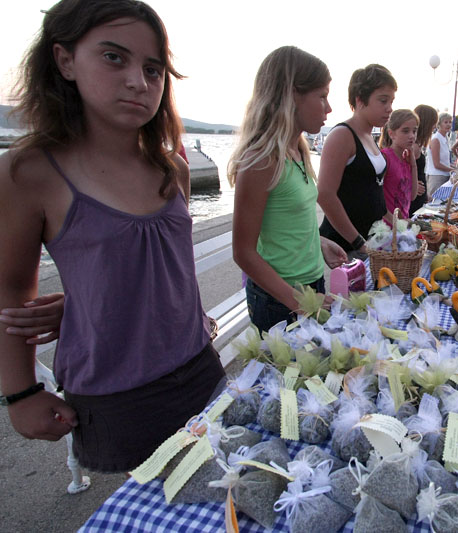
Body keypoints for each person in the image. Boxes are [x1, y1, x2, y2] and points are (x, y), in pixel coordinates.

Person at [0, 0, 225, 472]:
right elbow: (10, 288)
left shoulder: (173, 169)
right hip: (116, 398)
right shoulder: (29, 172)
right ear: (64, 61)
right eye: (113, 57)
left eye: (153, 68)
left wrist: (91, 299)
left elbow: (172, 270)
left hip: (203, 371)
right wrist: (21, 393)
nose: (137, 82)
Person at [228, 46, 347, 335]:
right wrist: (302, 303)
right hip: (279, 299)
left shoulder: (298, 150)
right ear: (292, 95)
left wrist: (318, 241)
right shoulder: (262, 159)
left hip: (312, 286)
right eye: (322, 96)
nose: (328, 108)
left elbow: (286, 215)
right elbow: (243, 252)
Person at [317, 64, 396, 258]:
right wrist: (358, 242)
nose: (390, 109)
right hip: (347, 246)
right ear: (360, 99)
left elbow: (371, 191)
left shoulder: (369, 136)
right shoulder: (342, 135)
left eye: (391, 101)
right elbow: (325, 194)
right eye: (383, 101)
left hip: (371, 241)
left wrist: (397, 223)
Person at [378, 109, 419, 220]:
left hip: (402, 222)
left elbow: (412, 196)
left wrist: (413, 166)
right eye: (405, 131)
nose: (411, 136)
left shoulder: (406, 159)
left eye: (414, 131)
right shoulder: (385, 157)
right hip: (387, 225)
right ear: (392, 134)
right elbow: (376, 200)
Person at [408, 104, 436, 216]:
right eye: (433, 123)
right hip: (414, 199)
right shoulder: (414, 147)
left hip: (419, 196)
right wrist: (411, 184)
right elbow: (402, 171)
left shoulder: (417, 144)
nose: (434, 127)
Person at [425, 112, 455, 198]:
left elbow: (444, 161)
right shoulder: (436, 139)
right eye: (445, 122)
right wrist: (452, 170)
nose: (448, 124)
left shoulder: (445, 138)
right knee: (435, 201)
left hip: (444, 175)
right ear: (439, 124)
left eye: (450, 122)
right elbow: (437, 164)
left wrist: (453, 167)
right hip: (436, 177)